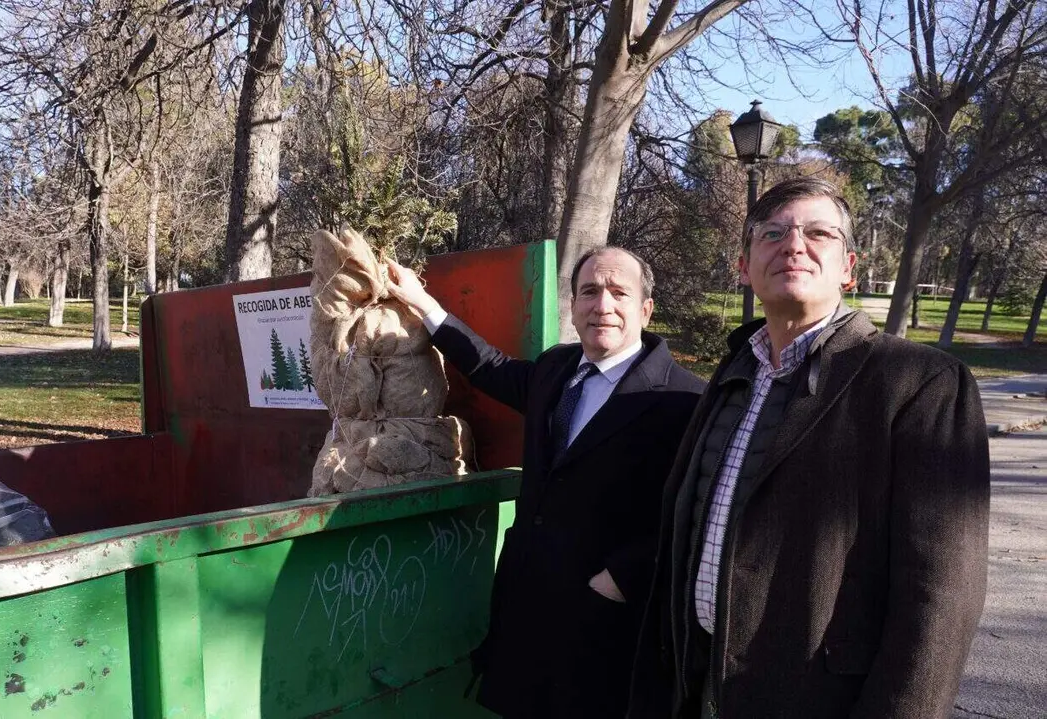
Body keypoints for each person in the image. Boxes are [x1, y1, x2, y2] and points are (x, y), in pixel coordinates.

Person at [628, 177, 990, 719]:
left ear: (848, 266)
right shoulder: (735, 371)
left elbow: (940, 596)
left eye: (818, 232)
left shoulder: (921, 384)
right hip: (695, 684)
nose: (794, 244)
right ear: (744, 265)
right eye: (772, 234)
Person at [386, 248, 704, 717]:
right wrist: (423, 306)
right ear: (573, 305)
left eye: (620, 293)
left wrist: (622, 576)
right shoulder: (557, 368)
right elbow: (491, 367)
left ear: (646, 308)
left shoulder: (686, 399)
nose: (603, 306)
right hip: (527, 600)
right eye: (590, 292)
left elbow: (696, 507)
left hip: (605, 622)